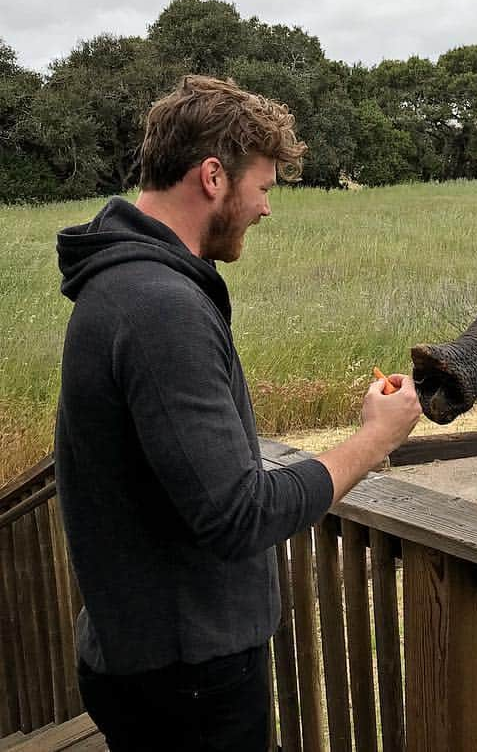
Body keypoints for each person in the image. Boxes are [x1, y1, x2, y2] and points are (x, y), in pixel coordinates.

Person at [53, 75, 421, 750]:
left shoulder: (121, 283)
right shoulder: (158, 306)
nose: (266, 209)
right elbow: (238, 512)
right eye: (265, 187)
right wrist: (374, 438)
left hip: (148, 655)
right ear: (214, 177)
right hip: (187, 677)